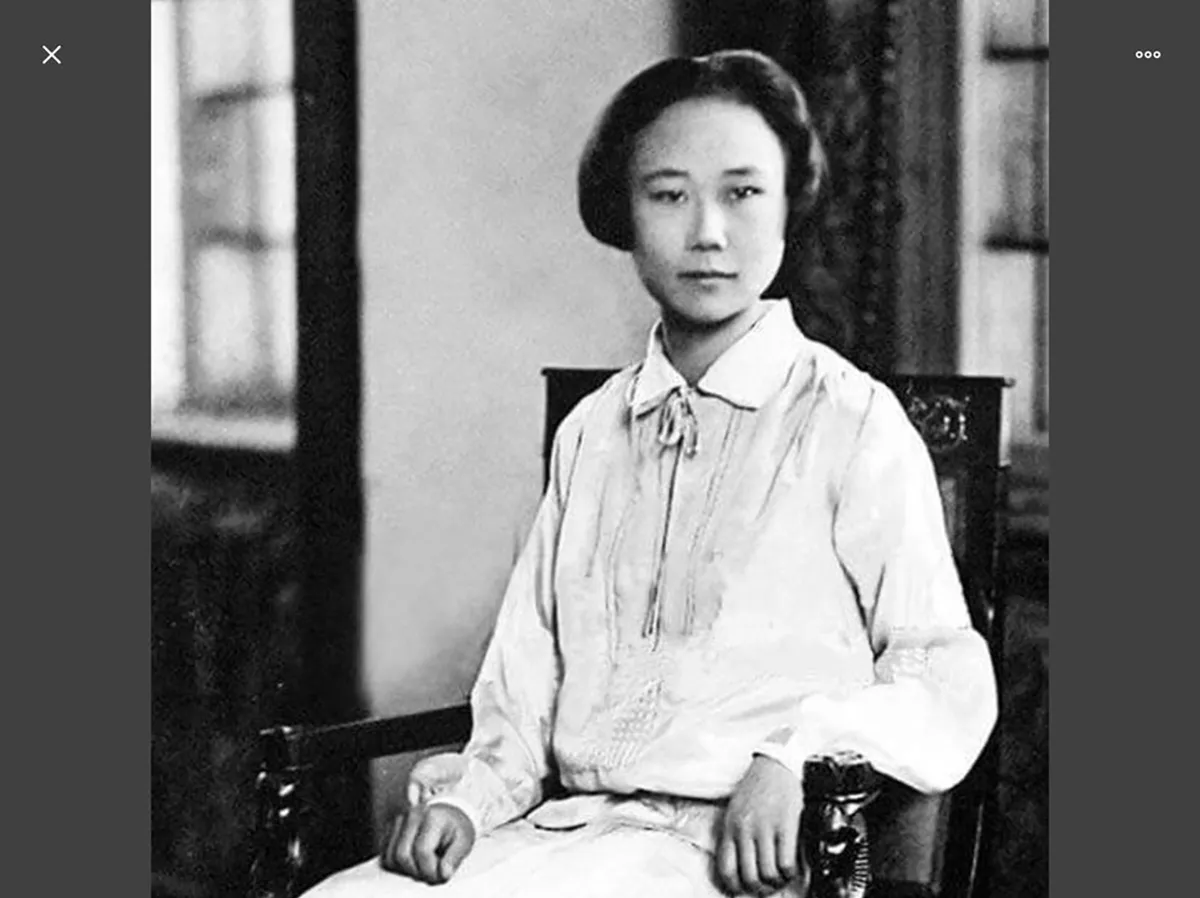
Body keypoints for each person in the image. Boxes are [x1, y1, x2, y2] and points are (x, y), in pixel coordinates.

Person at [304, 49, 997, 898]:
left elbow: (941, 670)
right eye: (668, 195)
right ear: (624, 218)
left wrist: (794, 757)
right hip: (573, 837)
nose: (708, 233)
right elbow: (524, 688)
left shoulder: (850, 420)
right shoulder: (594, 431)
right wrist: (468, 802)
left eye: (743, 193)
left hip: (739, 860)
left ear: (789, 207)